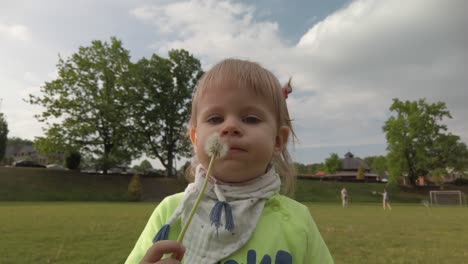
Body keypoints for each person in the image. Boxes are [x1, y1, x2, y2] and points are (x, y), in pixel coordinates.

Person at [125, 58, 334, 264]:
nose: (230, 126)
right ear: (195, 139)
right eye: (215, 119)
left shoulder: (298, 221)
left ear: (278, 141)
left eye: (250, 119)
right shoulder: (171, 211)